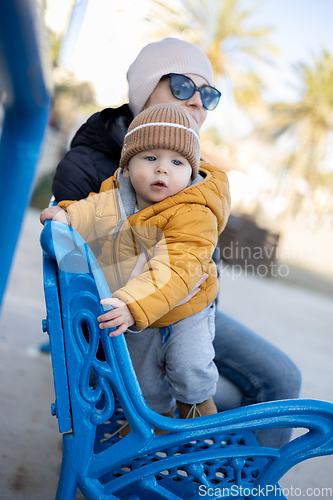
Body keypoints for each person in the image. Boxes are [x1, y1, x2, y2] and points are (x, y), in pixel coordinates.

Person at [50, 37, 302, 447]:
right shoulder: (92, 164)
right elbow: (78, 270)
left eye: (209, 94)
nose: (197, 101)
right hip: (127, 319)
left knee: (282, 375)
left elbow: (193, 254)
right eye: (183, 86)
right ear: (144, 90)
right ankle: (187, 465)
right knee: (227, 388)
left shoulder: (197, 176)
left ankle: (236, 481)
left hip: (189, 303)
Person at [41, 102, 231, 426]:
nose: (163, 169)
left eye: (177, 162)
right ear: (127, 167)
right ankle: (155, 431)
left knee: (189, 368)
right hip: (140, 309)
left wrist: (130, 303)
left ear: (191, 172)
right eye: (151, 158)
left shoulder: (194, 212)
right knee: (142, 385)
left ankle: (198, 428)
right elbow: (94, 212)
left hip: (186, 306)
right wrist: (68, 214)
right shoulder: (119, 196)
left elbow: (175, 269)